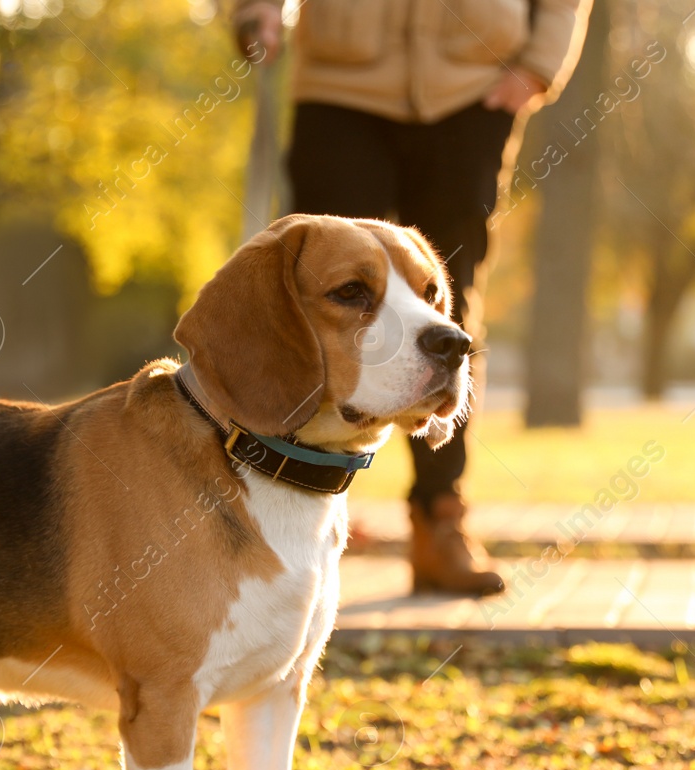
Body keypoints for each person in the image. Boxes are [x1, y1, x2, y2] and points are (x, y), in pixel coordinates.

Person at [232, 0, 593, 596]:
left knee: (451, 302)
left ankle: (439, 520)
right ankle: (284, 518)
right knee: (313, 295)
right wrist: (256, 12)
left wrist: (536, 67)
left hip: (471, 87)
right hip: (340, 86)